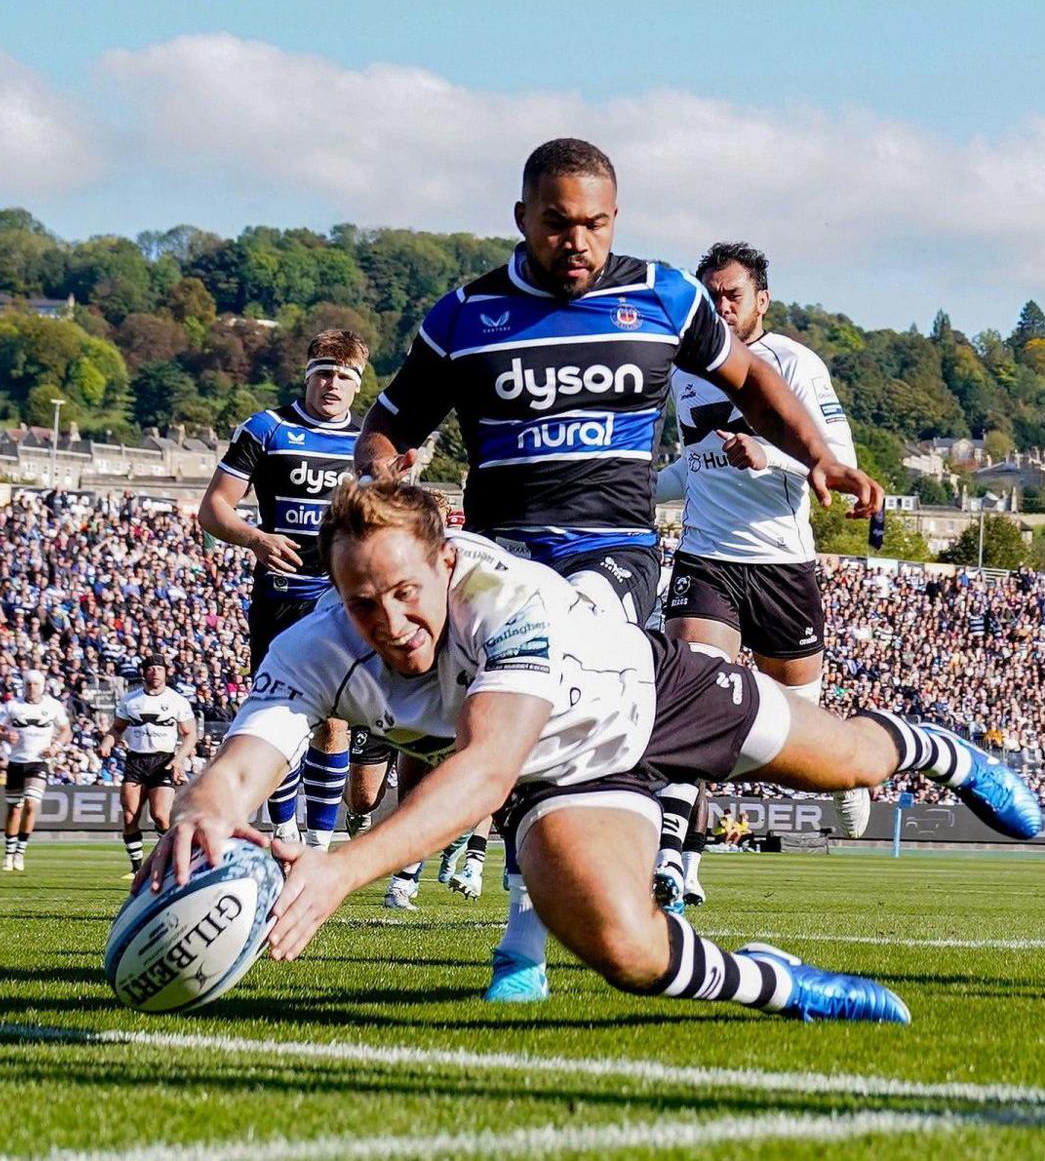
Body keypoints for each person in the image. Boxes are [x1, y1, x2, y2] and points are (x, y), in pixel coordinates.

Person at [139, 480, 1034, 1023]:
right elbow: (247, 761)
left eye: (405, 591)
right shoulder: (314, 644)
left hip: (654, 695)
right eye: (362, 602)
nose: (390, 622)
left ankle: (938, 749)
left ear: (445, 560)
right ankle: (786, 984)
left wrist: (337, 870)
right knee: (625, 951)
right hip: (564, 776)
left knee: (852, 761)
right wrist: (207, 809)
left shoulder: (507, 597)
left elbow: (484, 770)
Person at [356, 140, 883, 992]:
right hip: (497, 562)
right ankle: (563, 918)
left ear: (616, 219)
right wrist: (379, 470)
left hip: (612, 554)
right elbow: (388, 425)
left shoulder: (662, 297)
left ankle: (523, 945)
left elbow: (748, 380)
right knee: (533, 743)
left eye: (596, 224)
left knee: (550, 695)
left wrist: (816, 453)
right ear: (522, 218)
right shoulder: (463, 317)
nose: (579, 241)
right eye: (559, 223)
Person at [651, 240, 864, 911]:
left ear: (760, 300)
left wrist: (768, 454)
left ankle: (847, 767)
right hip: (709, 556)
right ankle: (674, 862)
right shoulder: (684, 370)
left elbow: (838, 460)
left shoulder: (796, 364)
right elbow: (691, 467)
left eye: (731, 296)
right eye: (709, 295)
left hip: (781, 565)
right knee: (692, 700)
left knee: (799, 724)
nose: (719, 307)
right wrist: (635, 490)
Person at [201, 330, 377, 852]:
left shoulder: (368, 443)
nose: (333, 384)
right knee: (281, 711)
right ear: (307, 376)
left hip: (339, 594)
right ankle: (284, 829)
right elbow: (214, 507)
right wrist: (255, 538)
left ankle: (318, 845)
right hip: (279, 592)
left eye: (345, 377)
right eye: (324, 373)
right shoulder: (267, 428)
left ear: (357, 386)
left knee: (336, 718)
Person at [105, 658, 198, 881]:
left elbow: (190, 734)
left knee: (160, 815)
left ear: (166, 673)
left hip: (163, 761)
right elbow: (117, 728)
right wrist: (108, 741)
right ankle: (137, 868)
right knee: (130, 815)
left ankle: (166, 860)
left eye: (159, 669)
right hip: (136, 760)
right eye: (151, 669)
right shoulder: (130, 701)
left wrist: (178, 759)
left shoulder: (176, 701)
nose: (155, 673)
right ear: (143, 673)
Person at [0, 670, 72, 872]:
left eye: (36, 684)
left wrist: (56, 747)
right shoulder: (13, 706)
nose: (32, 688)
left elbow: (66, 730)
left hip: (39, 762)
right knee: (14, 808)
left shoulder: (53, 706)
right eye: (29, 684)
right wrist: (4, 736)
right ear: (24, 685)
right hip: (16, 761)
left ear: (43, 686)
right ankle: (8, 853)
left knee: (31, 804)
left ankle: (21, 851)